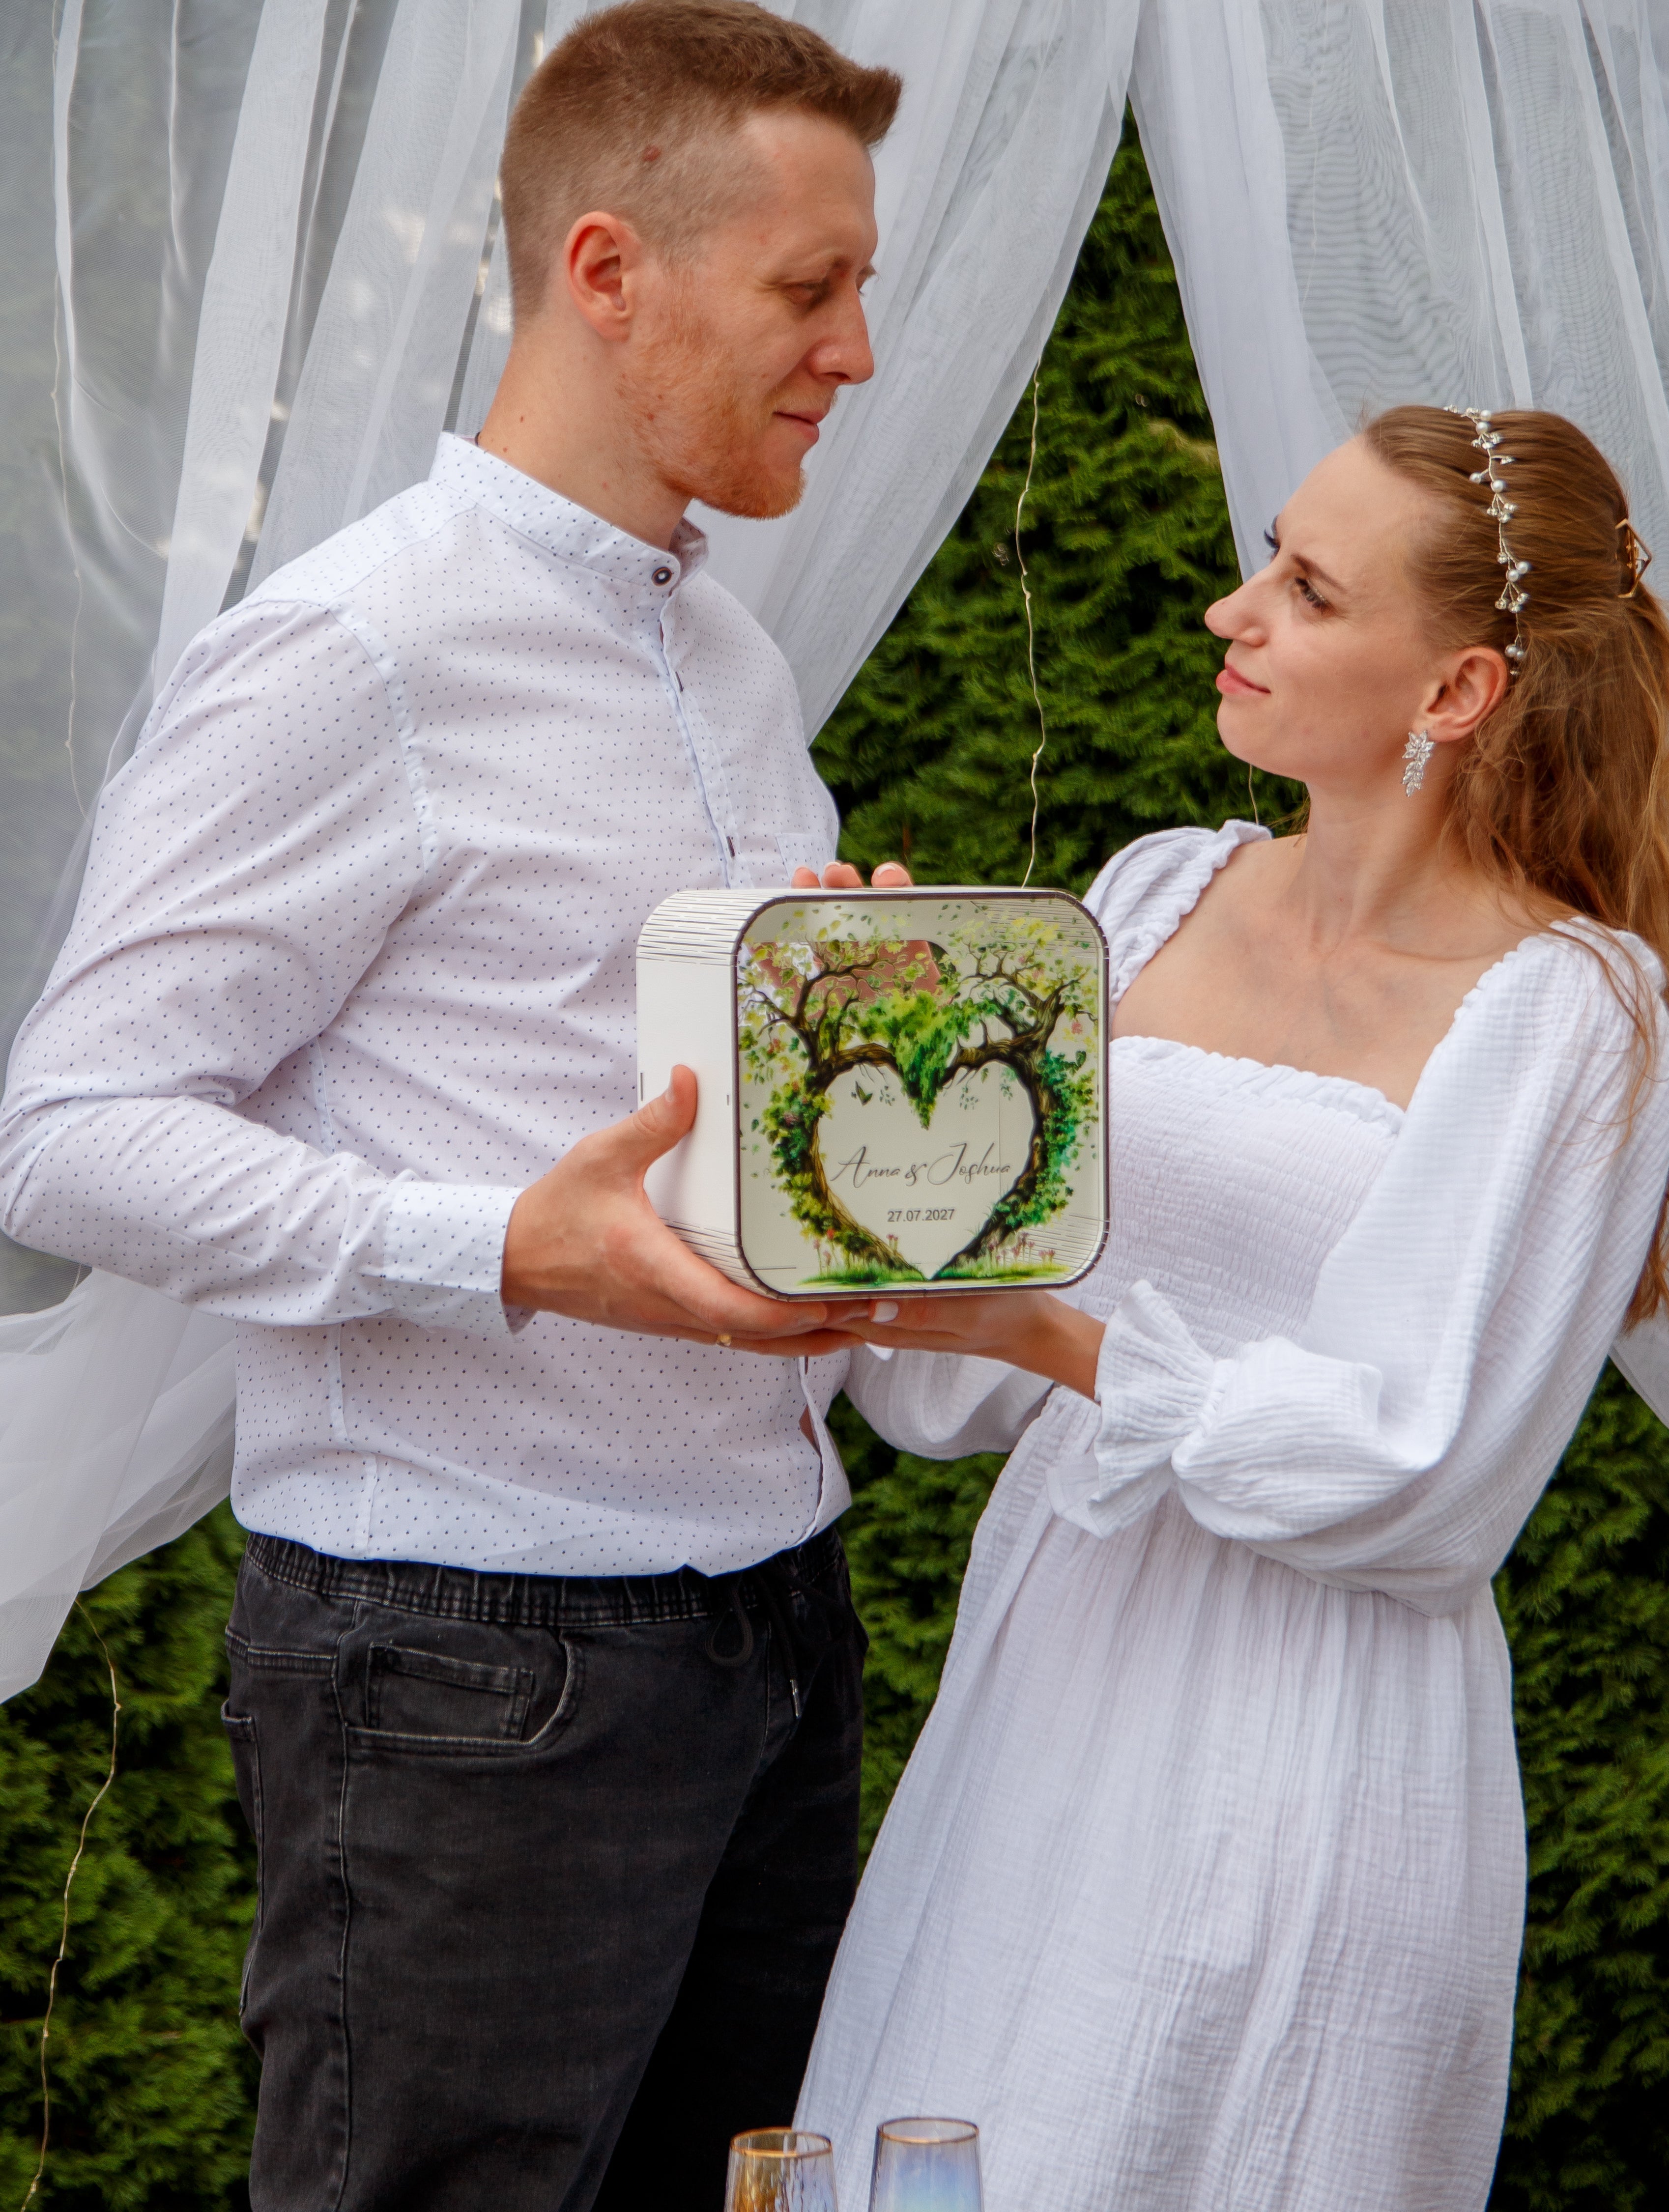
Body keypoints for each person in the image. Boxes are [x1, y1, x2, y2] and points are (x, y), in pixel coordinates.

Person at [0, 5, 907, 2207]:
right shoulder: (348, 653)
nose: (861, 351)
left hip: (776, 1623)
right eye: (812, 286)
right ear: (607, 270)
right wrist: (503, 1240)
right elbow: (73, 1124)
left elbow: (675, 1101)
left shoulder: (736, 660)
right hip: (468, 1667)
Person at [799, 406, 1669, 2211]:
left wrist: (1068, 1344)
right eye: (1263, 560)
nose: (1231, 612)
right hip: (1048, 1678)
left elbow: (1422, 1479)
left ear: (1452, 692)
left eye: (1302, 588)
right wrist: (858, 1071)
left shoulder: (1568, 1012)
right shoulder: (1151, 892)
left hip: (1309, 1736)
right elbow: (943, 1386)